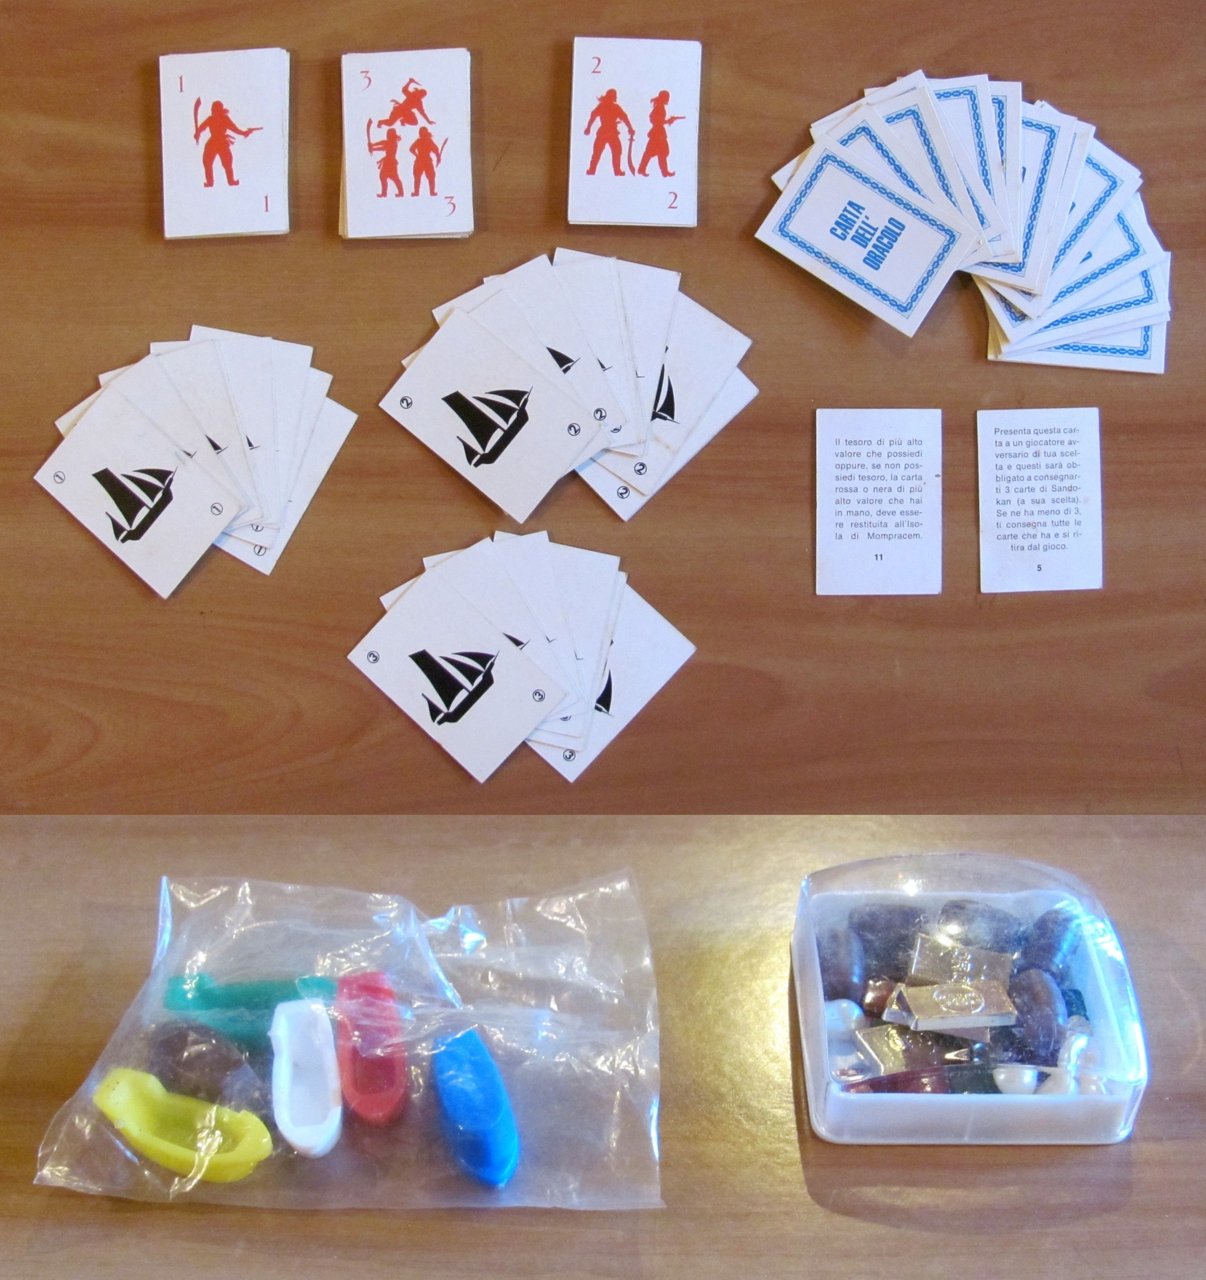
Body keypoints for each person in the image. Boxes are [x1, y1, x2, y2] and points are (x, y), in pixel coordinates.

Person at [194, 100, 258, 187]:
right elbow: (202, 127)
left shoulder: (224, 118)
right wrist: (197, 133)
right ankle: (210, 182)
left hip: (221, 142)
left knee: (227, 162)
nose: (213, 111)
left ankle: (230, 181)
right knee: (207, 162)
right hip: (214, 142)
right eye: (213, 109)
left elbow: (234, 128)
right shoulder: (211, 119)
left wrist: (243, 133)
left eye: (214, 109)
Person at [584, 89, 634, 176]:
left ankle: (617, 171)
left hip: (611, 132)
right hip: (605, 132)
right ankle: (592, 170)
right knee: (598, 152)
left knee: (616, 151)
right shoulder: (603, 106)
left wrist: (630, 128)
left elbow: (624, 117)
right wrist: (588, 128)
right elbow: (593, 116)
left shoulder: (614, 107)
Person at [637, 90, 684, 178]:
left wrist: (667, 121)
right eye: (667, 98)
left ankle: (662, 172)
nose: (668, 99)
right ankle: (645, 169)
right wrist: (667, 121)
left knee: (659, 152)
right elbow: (654, 119)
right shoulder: (659, 107)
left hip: (658, 132)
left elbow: (657, 120)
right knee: (656, 152)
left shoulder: (660, 106)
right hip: (658, 133)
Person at [369, 126, 404, 197]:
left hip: (391, 162)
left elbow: (383, 147)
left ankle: (400, 193)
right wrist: (373, 145)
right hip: (388, 162)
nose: (387, 136)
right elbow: (382, 142)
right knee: (383, 176)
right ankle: (384, 193)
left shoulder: (393, 143)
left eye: (388, 134)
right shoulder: (389, 142)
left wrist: (373, 148)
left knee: (394, 177)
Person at [410, 127, 443, 196]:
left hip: (424, 160)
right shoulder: (421, 141)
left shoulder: (427, 141)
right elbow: (411, 149)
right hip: (422, 160)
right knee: (418, 177)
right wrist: (438, 157)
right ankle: (417, 192)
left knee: (430, 177)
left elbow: (436, 150)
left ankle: (431, 192)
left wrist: (438, 157)